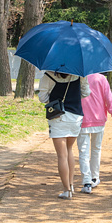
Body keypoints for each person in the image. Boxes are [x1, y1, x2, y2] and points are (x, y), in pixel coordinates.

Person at [38, 70, 91, 199]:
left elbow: (42, 98)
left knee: (62, 155)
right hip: (76, 116)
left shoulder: (48, 76)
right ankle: (71, 184)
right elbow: (86, 93)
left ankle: (66, 190)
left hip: (58, 116)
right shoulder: (79, 75)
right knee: (69, 150)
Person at [78, 73, 112, 194]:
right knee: (96, 149)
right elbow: (109, 99)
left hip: (82, 119)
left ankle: (86, 182)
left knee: (83, 151)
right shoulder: (101, 79)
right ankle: (94, 177)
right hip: (99, 119)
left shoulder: (77, 77)